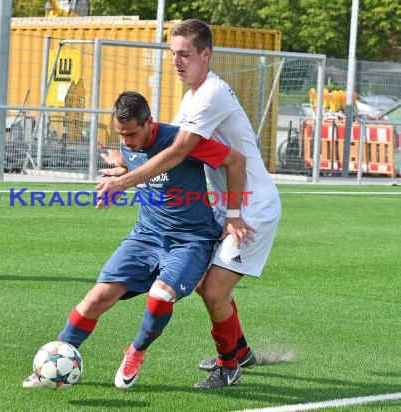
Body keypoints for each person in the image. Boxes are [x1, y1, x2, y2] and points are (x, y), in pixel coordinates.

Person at [95, 19, 282, 389]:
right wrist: (125, 158)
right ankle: (239, 350)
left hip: (250, 207)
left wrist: (124, 181)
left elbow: (179, 151)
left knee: (213, 290)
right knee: (206, 287)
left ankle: (229, 366)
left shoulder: (211, 93)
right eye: (173, 54)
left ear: (206, 55)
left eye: (185, 54)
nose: (177, 62)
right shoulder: (193, 95)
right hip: (230, 202)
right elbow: (164, 142)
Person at [23, 91, 247, 389]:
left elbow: (236, 161)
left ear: (149, 123)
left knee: (160, 296)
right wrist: (120, 170)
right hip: (145, 236)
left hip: (189, 240)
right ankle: (52, 361)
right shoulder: (127, 144)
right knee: (96, 298)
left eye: (131, 133)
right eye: (120, 134)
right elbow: (142, 166)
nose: (126, 140)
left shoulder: (183, 141)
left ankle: (135, 352)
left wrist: (233, 214)